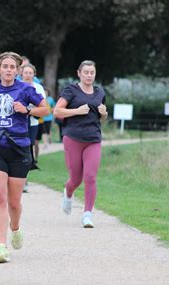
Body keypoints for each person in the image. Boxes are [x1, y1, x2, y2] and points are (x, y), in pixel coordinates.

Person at [0, 52, 48, 263]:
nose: (8, 70)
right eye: (5, 66)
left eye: (12, 67)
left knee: (14, 202)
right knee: (0, 196)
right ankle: (0, 246)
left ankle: (15, 228)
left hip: (19, 148)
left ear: (17, 70)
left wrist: (27, 109)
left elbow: (45, 110)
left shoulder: (27, 89)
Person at [53, 60, 108, 228]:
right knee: (75, 180)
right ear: (79, 73)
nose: (89, 75)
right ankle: (68, 192)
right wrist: (76, 111)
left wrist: (104, 114)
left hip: (93, 139)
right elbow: (57, 111)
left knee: (90, 176)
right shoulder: (71, 91)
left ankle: (87, 214)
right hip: (73, 138)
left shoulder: (99, 93)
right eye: (86, 72)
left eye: (92, 72)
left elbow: (101, 117)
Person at [21, 63, 46, 193]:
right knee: (19, 148)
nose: (28, 75)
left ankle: (24, 178)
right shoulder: (16, 86)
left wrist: (30, 109)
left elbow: (44, 107)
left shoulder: (38, 88)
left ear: (34, 74)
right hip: (19, 123)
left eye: (31, 73)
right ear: (22, 74)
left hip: (33, 123)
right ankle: (18, 179)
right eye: (26, 72)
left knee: (27, 148)